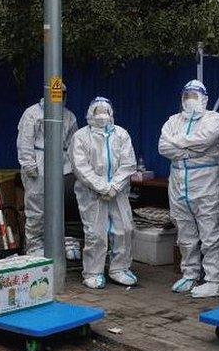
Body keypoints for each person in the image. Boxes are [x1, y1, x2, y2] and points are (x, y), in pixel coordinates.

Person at [159, 80, 219, 298]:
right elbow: (163, 147)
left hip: (205, 183)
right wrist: (191, 152)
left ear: (204, 99)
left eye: (194, 95)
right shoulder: (173, 120)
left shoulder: (214, 119)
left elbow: (205, 140)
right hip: (178, 183)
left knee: (210, 234)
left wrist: (178, 143)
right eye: (187, 95)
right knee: (185, 233)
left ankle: (215, 280)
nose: (190, 99)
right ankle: (190, 273)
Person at [71, 97, 138, 289]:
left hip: (118, 192)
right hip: (91, 194)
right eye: (97, 111)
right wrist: (102, 187)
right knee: (96, 233)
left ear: (111, 114)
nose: (101, 115)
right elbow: (80, 167)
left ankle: (120, 268)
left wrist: (114, 186)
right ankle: (93, 272)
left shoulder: (121, 134)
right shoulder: (81, 136)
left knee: (124, 229)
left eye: (105, 111)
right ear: (89, 114)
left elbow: (128, 163)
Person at [17, 94, 78, 256]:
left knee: (61, 206)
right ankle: (34, 245)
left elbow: (73, 144)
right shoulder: (33, 113)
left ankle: (63, 242)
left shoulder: (69, 115)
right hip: (39, 163)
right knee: (37, 208)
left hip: (62, 165)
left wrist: (73, 166)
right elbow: (25, 140)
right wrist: (28, 163)